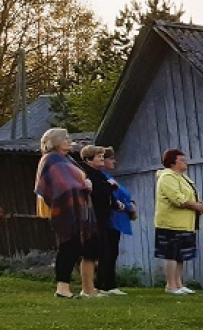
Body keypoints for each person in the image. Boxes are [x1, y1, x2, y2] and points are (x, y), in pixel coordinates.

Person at [35, 128, 98, 298]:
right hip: (65, 209)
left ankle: (65, 288)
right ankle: (62, 288)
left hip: (75, 208)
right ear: (56, 141)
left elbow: (75, 179)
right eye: (65, 138)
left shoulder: (66, 159)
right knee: (68, 246)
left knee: (72, 246)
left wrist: (86, 183)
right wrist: (84, 185)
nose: (69, 141)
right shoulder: (52, 159)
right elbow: (64, 185)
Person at [155, 149, 203, 295]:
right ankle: (170, 285)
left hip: (185, 223)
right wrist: (196, 206)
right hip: (171, 223)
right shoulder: (167, 177)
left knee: (181, 255)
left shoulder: (182, 177)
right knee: (172, 254)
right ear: (172, 162)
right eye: (182, 159)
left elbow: (189, 196)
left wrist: (200, 204)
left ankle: (178, 284)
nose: (186, 162)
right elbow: (177, 198)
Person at [97, 147, 137, 295]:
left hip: (119, 218)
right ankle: (104, 284)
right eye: (110, 158)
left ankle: (110, 283)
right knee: (107, 252)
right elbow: (113, 196)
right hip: (111, 217)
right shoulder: (102, 177)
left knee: (113, 251)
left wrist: (131, 204)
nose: (114, 161)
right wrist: (127, 206)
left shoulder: (108, 176)